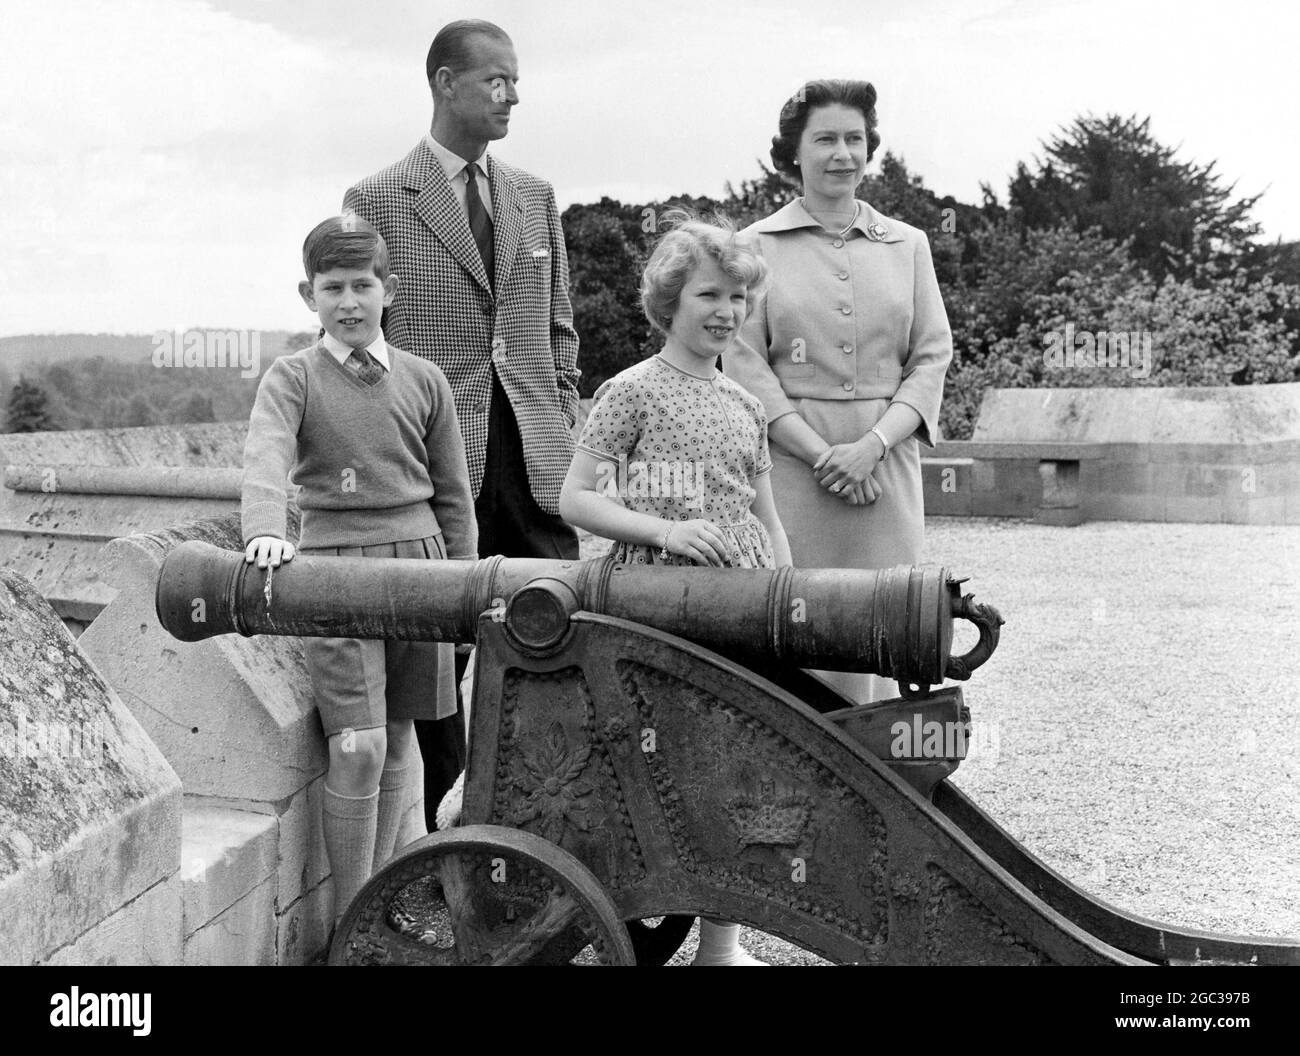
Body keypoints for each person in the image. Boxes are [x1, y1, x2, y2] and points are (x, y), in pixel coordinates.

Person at [344, 19, 581, 827]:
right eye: (496, 81)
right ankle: (456, 838)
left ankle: (548, 820)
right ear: (446, 83)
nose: (512, 95)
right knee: (443, 645)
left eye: (516, 81)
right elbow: (371, 340)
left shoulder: (535, 194)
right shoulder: (377, 199)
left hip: (536, 459)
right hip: (439, 462)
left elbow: (559, 331)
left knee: (560, 624)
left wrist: (568, 420)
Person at [559, 213, 790, 965]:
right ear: (670, 302)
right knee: (652, 766)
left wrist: (784, 596)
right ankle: (617, 917)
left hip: (739, 605)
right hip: (656, 599)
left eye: (737, 297)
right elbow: (578, 500)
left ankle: (720, 946)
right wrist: (664, 531)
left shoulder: (748, 405)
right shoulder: (631, 390)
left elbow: (767, 518)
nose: (724, 311)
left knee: (735, 769)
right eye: (708, 295)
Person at [240, 215, 477, 928]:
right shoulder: (292, 379)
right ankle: (351, 922)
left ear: (390, 290)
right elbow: (265, 457)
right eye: (332, 287)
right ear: (308, 294)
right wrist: (262, 531)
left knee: (400, 735)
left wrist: (464, 593)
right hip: (335, 578)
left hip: (423, 571)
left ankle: (382, 907)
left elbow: (455, 497)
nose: (349, 301)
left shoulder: (426, 380)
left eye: (362, 285)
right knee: (359, 745)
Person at [724, 79, 952, 705]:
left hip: (886, 466)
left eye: (855, 138)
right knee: (797, 621)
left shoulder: (909, 244)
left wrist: (871, 447)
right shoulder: (753, 246)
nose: (842, 153)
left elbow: (932, 356)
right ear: (793, 151)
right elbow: (744, 364)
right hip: (794, 472)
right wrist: (822, 455)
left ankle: (883, 779)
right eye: (824, 138)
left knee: (887, 619)